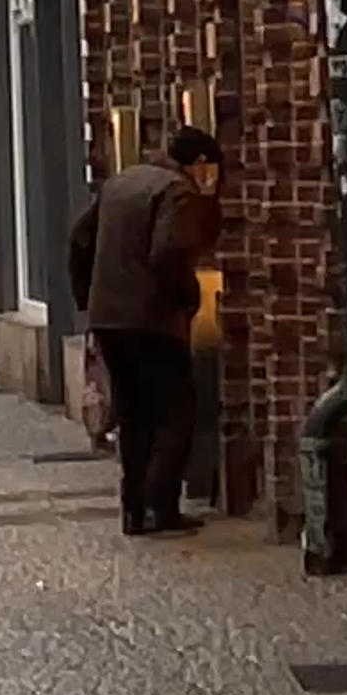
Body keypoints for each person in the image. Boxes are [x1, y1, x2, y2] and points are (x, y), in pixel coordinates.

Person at [71, 118, 222, 533]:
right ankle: (162, 506)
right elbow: (169, 252)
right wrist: (188, 297)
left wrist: (89, 298)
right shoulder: (178, 192)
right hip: (152, 319)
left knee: (133, 414)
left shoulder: (121, 183)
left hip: (111, 318)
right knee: (177, 411)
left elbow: (79, 238)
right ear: (201, 163)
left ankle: (133, 509)